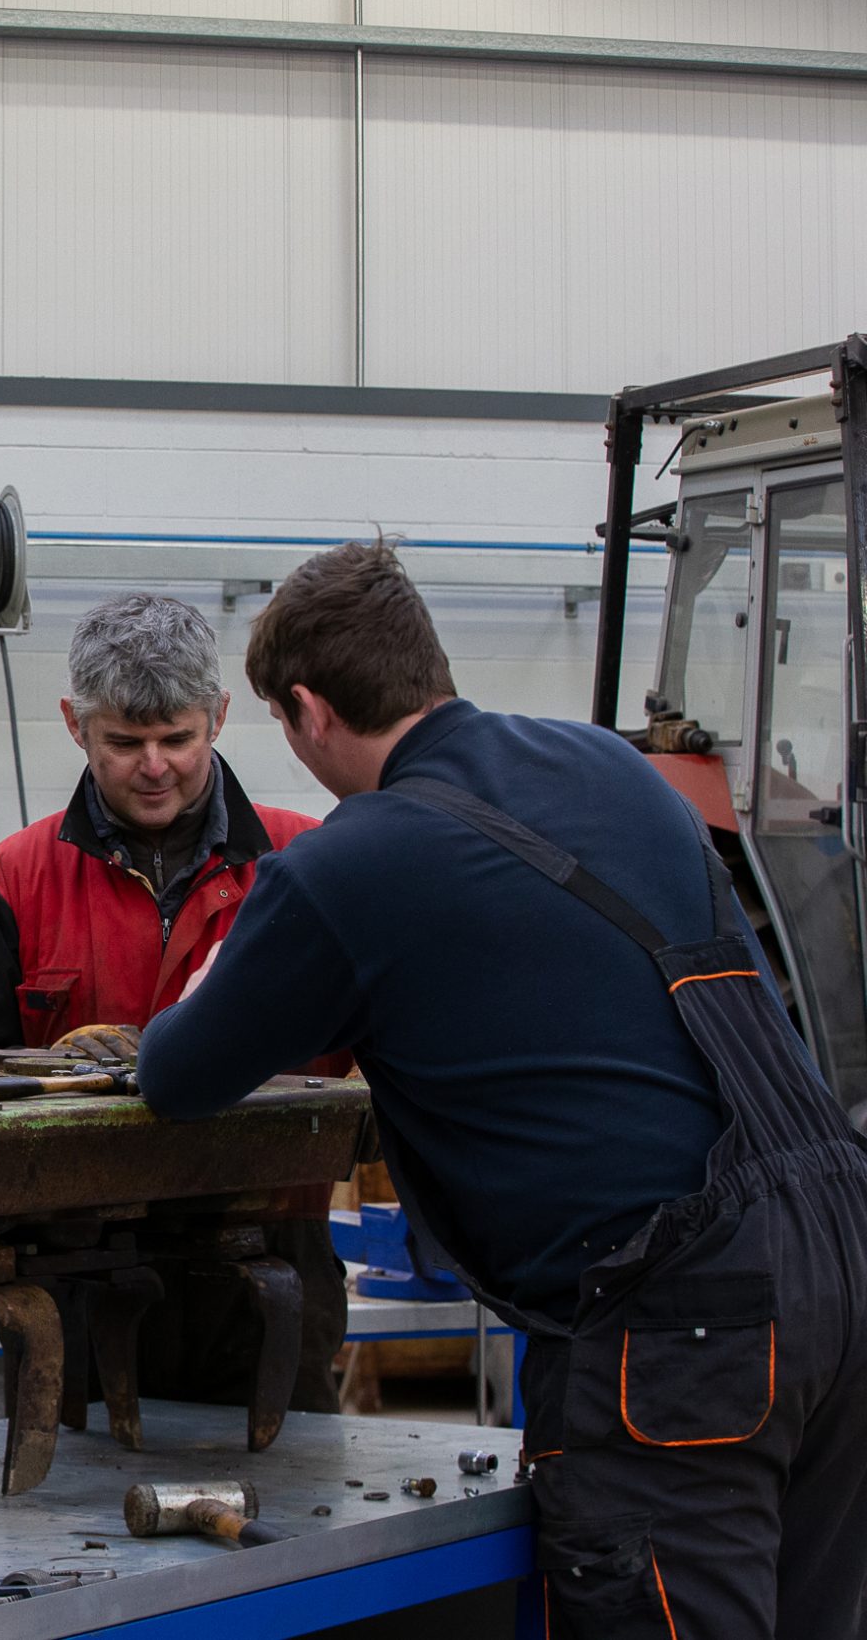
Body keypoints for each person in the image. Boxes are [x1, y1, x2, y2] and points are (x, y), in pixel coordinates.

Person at [138, 542, 867, 1638]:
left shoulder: (351, 863)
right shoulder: (608, 765)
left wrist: (212, 976)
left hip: (686, 1326)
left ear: (306, 709)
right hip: (840, 1255)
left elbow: (177, 1074)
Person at [0, 592, 347, 1417]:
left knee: (293, 1530)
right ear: (76, 725)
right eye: (124, 742)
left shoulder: (305, 863)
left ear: (217, 717)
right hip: (75, 1282)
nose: (155, 766)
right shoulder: (20, 876)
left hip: (270, 1281)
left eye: (177, 738)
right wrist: (59, 1073)